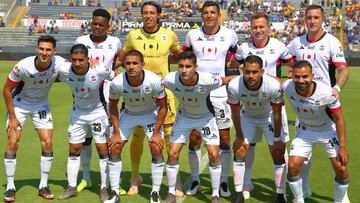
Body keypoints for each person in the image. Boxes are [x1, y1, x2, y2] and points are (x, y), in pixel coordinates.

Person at [116, 1, 183, 196]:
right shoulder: (132, 36)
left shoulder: (169, 35)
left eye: (152, 13)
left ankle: (175, 180)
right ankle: (135, 177)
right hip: (136, 94)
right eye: (144, 13)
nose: (148, 16)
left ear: (159, 15)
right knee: (137, 136)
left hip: (163, 93)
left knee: (170, 137)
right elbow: (121, 57)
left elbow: (180, 56)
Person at [287, 4, 348, 199]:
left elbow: (343, 70)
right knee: (300, 160)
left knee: (339, 163)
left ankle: (342, 197)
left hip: (325, 103)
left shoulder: (331, 42)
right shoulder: (296, 42)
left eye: (316, 17)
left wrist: (337, 88)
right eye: (309, 18)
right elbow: (287, 62)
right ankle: (304, 188)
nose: (312, 21)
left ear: (323, 19)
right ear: (304, 19)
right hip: (303, 104)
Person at [230, 12, 293, 201]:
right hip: (249, 104)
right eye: (254, 27)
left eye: (261, 27)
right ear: (250, 28)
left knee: (279, 150)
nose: (257, 30)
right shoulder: (243, 48)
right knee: (246, 147)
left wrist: (281, 81)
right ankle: (245, 184)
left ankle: (286, 187)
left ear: (268, 28)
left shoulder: (279, 46)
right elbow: (233, 65)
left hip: (271, 101)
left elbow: (293, 67)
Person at [182, 1, 238, 197]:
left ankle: (223, 182)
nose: (209, 15)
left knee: (224, 138)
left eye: (213, 12)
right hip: (196, 93)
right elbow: (184, 58)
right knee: (195, 138)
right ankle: (195, 180)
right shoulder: (192, 35)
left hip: (221, 94)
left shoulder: (230, 35)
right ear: (201, 15)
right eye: (205, 12)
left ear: (219, 14)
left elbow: (235, 58)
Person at [163, 51, 236, 203]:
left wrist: (246, 80)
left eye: (188, 66)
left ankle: (215, 194)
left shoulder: (207, 80)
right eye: (181, 66)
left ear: (195, 67)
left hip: (206, 118)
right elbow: (154, 83)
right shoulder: (171, 79)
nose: (184, 70)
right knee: (172, 153)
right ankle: (171, 192)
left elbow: (227, 79)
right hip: (184, 117)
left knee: (214, 154)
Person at [3, 35, 66, 202]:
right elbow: (7, 90)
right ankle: (10, 186)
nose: (44, 53)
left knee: (47, 142)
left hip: (41, 104)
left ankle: (43, 185)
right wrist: (14, 116)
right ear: (36, 49)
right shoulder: (22, 66)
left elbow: (77, 68)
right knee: (13, 141)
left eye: (48, 50)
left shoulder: (59, 62)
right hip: (20, 103)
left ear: (54, 51)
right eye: (41, 49)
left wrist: (92, 64)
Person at [282, 60, 349, 203]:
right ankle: (299, 200)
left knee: (341, 169)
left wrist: (342, 146)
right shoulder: (288, 87)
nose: (301, 80)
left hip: (327, 130)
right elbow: (270, 80)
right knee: (293, 166)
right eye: (297, 77)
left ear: (312, 76)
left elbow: (339, 119)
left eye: (305, 76)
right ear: (292, 75)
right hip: (305, 130)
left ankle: (339, 200)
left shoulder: (326, 93)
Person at [106, 50, 168, 203]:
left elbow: (163, 107)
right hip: (128, 114)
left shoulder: (154, 80)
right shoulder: (117, 82)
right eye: (128, 63)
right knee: (115, 146)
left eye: (135, 63)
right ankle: (114, 192)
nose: (131, 67)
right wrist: (115, 132)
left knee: (155, 146)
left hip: (149, 114)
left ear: (142, 65)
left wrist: (156, 133)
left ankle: (155, 192)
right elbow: (113, 107)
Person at [74, 8, 124, 196]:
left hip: (107, 97)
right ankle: (86, 177)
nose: (96, 27)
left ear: (108, 26)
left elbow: (120, 57)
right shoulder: (82, 41)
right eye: (94, 23)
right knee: (85, 139)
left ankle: (112, 183)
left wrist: (109, 69)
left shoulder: (114, 42)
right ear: (90, 23)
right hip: (84, 95)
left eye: (101, 25)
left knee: (107, 139)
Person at [57, 44, 115, 201]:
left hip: (98, 113)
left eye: (81, 60)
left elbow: (114, 78)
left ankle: (104, 188)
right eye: (74, 60)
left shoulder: (99, 69)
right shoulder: (64, 70)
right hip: (78, 114)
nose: (77, 63)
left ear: (87, 59)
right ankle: (71, 187)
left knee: (103, 151)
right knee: (74, 150)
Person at [227, 55, 286, 203]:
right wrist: (239, 135)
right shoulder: (234, 85)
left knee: (278, 153)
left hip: (269, 117)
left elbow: (277, 113)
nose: (250, 76)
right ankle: (239, 193)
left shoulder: (273, 85)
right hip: (248, 117)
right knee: (240, 150)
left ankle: (280, 194)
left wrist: (277, 139)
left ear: (262, 71)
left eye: (255, 72)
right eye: (247, 72)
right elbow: (235, 113)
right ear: (243, 70)